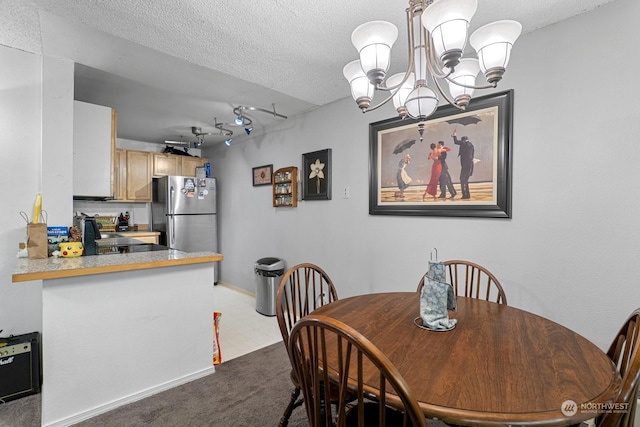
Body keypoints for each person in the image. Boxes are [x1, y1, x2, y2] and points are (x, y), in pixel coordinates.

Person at [452, 130, 474, 199]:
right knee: (465, 180)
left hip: (466, 166)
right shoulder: (471, 145)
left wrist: (454, 135)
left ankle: (465, 195)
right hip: (469, 165)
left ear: (463, 140)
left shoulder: (464, 144)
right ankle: (467, 194)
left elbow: (456, 142)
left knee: (462, 179)